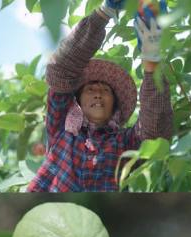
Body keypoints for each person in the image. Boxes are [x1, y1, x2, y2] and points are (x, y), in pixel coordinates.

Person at [27, 0, 173, 192]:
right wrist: (104, 12)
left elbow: (155, 132)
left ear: (115, 105)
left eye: (105, 91)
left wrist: (152, 59)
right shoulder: (62, 126)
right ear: (77, 102)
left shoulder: (125, 142)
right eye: (90, 89)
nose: (97, 93)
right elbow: (59, 72)